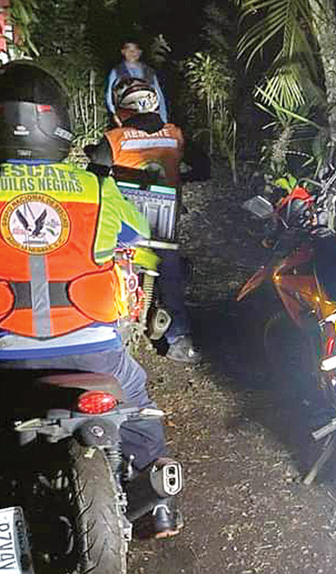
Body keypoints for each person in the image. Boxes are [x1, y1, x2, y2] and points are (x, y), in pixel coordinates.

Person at [0, 62, 183, 538]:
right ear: (59, 124)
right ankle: (158, 509)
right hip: (95, 349)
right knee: (136, 400)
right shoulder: (97, 188)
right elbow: (138, 233)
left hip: (4, 357)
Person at [87, 77, 199, 363]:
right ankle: (179, 341)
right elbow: (203, 166)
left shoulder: (114, 139)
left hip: (126, 225)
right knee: (171, 277)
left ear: (123, 109)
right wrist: (178, 179)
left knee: (113, 272)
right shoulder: (175, 135)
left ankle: (110, 334)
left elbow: (94, 177)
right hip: (164, 224)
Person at [106, 40, 168, 123]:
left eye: (135, 50)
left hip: (149, 115)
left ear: (140, 52)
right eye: (129, 50)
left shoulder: (149, 71)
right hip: (127, 116)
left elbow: (159, 95)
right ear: (123, 52)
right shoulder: (116, 71)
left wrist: (163, 119)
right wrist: (114, 114)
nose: (132, 53)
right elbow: (109, 95)